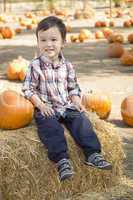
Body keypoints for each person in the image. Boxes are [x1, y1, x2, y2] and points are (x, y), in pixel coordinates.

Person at [22, 16, 112, 182]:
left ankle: (93, 154)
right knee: (50, 128)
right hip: (47, 108)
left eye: (54, 39)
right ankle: (62, 160)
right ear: (38, 43)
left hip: (66, 106)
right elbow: (28, 89)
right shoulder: (34, 66)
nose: (48, 44)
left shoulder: (68, 66)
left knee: (82, 122)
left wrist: (76, 100)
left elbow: (73, 87)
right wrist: (40, 105)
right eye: (43, 40)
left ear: (63, 42)